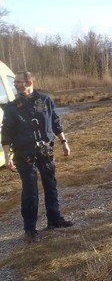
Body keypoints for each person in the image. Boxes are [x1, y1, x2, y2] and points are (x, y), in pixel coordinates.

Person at [1, 71, 73, 243]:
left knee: (51, 186)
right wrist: (6, 155)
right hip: (24, 155)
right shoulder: (12, 108)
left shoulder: (44, 101)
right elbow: (6, 133)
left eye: (19, 82)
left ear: (29, 82)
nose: (15, 84)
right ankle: (30, 229)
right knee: (30, 192)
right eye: (16, 82)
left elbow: (55, 122)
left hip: (45, 151)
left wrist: (64, 141)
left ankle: (54, 220)